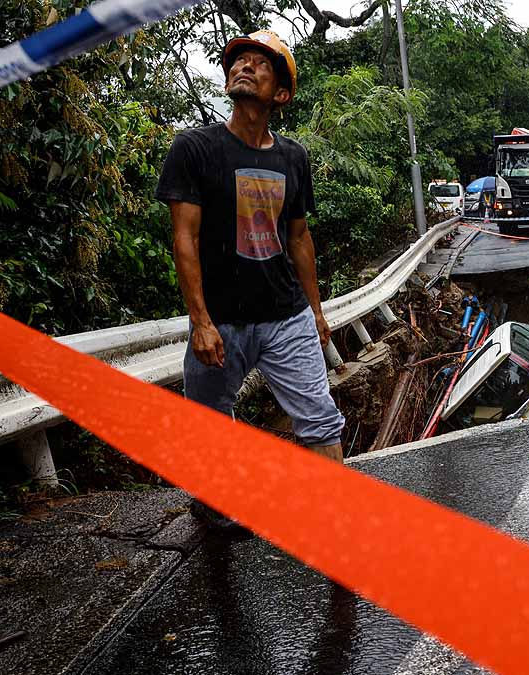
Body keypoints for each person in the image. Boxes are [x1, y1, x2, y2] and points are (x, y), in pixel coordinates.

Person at [155, 31, 345, 527]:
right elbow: (185, 238)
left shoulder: (293, 158)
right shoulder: (194, 148)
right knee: (212, 422)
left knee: (320, 418)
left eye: (261, 64)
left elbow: (300, 238)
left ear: (280, 94)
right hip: (222, 320)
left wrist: (318, 313)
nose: (245, 66)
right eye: (239, 60)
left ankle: (340, 525)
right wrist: (200, 321)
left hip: (286, 315)